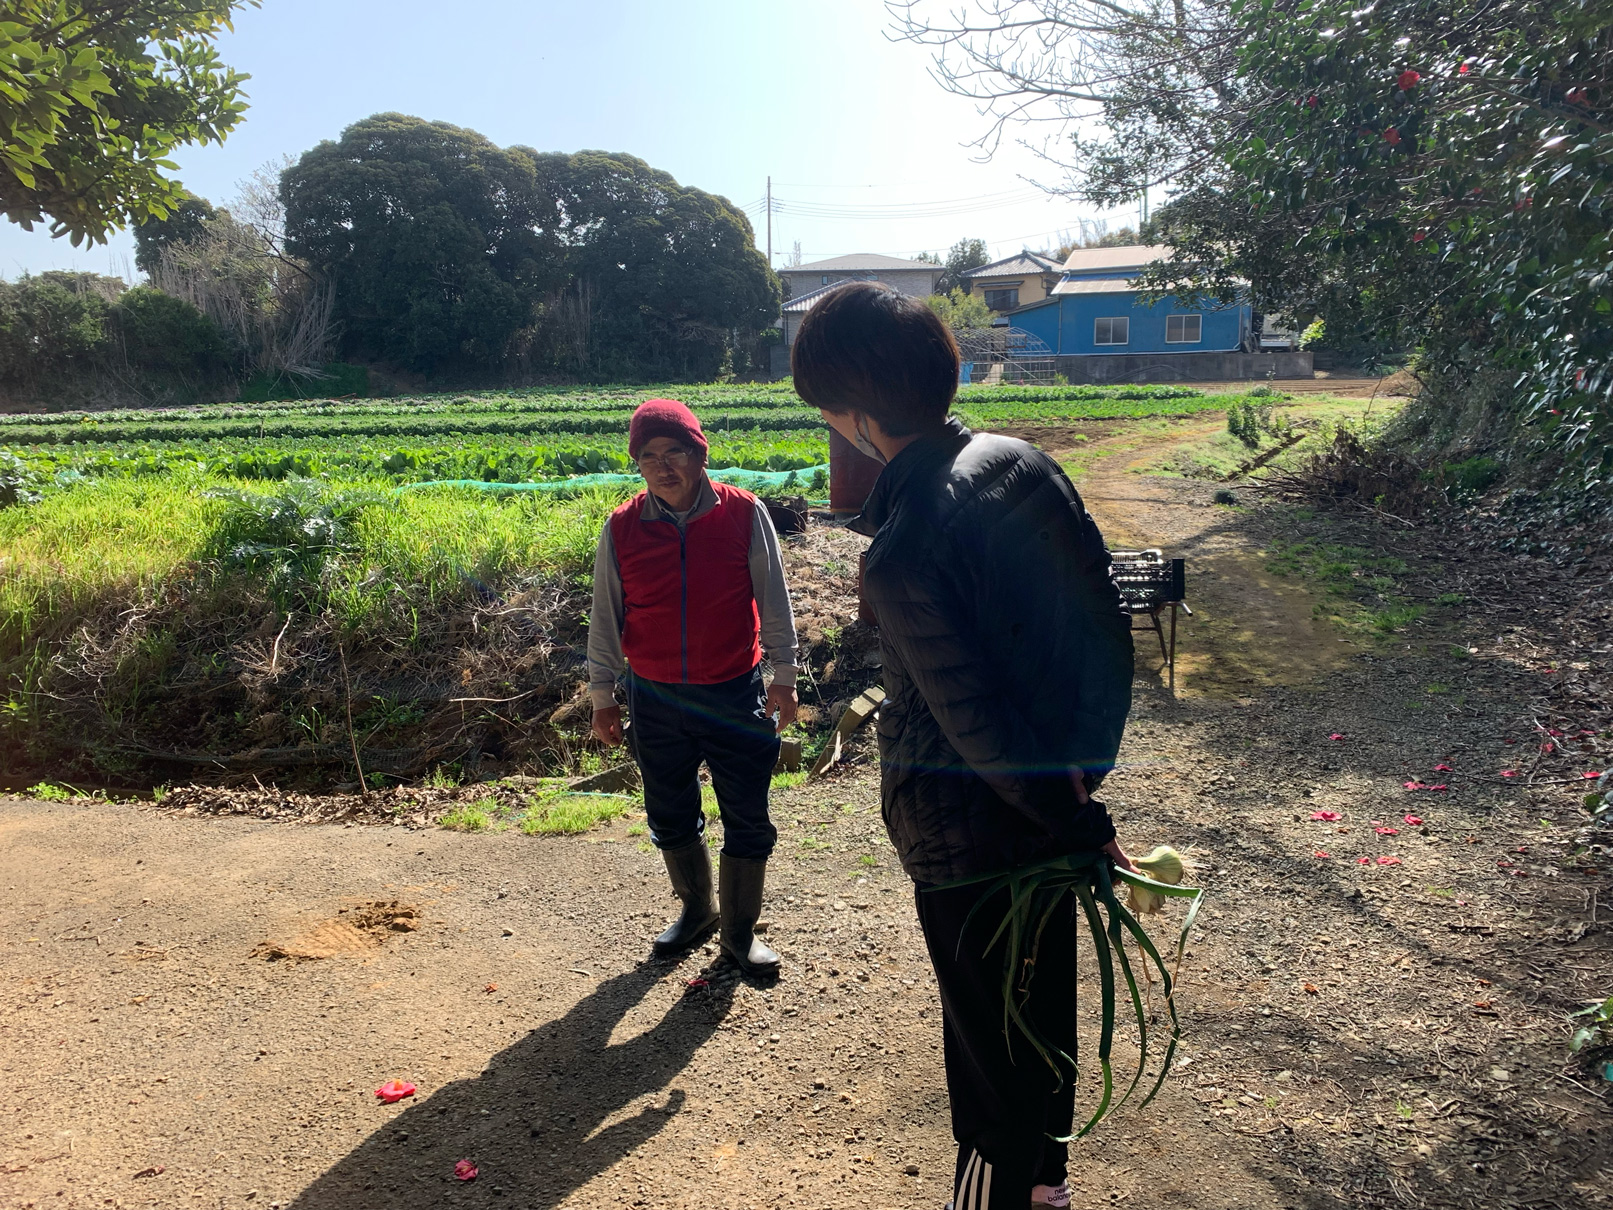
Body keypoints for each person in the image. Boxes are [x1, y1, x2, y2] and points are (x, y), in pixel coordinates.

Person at [791, 282, 1136, 1210]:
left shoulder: (902, 552)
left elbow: (972, 721)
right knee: (1042, 1012)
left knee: (989, 1050)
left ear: (857, 417)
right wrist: (1079, 782)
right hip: (1047, 801)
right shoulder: (1022, 461)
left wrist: (1072, 812)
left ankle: (996, 1192)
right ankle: (1046, 1188)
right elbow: (1103, 626)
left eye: (829, 412)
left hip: (968, 838)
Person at [588, 398, 799, 976]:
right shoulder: (623, 527)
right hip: (654, 698)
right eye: (649, 457)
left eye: (674, 452)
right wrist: (602, 694)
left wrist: (784, 675)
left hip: (734, 691)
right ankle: (697, 911)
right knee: (670, 812)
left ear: (698, 454)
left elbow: (773, 600)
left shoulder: (742, 513)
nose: (662, 467)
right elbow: (605, 616)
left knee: (747, 816)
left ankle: (739, 933)